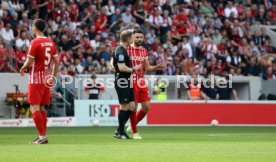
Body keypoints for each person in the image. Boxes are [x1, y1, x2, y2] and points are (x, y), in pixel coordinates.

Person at [20, 19, 59, 144]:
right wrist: (53, 76)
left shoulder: (35, 42)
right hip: (47, 78)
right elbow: (57, 62)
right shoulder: (50, 42)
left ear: (35, 28)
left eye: (32, 26)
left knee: (34, 106)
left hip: (36, 78)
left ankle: (42, 137)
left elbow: (29, 61)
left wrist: (23, 67)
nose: (31, 27)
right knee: (42, 107)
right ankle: (43, 136)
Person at [126, 29, 164, 139]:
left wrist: (155, 67)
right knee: (134, 107)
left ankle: (131, 127)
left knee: (146, 107)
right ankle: (134, 132)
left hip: (141, 81)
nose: (139, 39)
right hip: (131, 81)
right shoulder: (127, 50)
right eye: (137, 37)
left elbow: (147, 68)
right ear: (132, 38)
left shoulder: (143, 51)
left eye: (140, 37)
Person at [112, 30, 142, 139]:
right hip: (122, 81)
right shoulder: (120, 51)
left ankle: (119, 129)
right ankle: (120, 132)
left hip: (127, 81)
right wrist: (134, 68)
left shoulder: (123, 50)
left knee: (133, 106)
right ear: (129, 39)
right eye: (132, 38)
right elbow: (122, 67)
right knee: (124, 106)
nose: (133, 40)